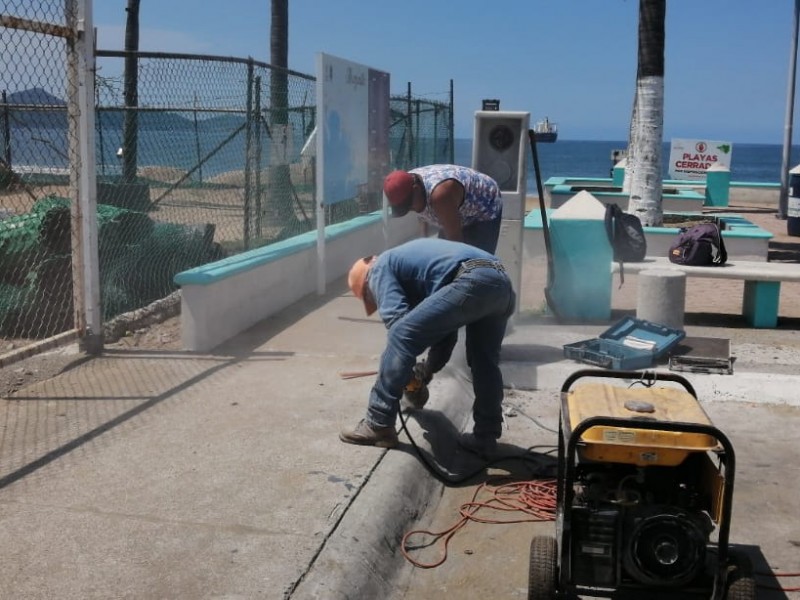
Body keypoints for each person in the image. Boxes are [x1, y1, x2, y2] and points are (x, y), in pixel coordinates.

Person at [339, 237, 516, 456]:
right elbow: (446, 337)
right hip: (501, 283)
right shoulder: (413, 266)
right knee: (484, 362)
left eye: (372, 299)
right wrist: (426, 372)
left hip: (472, 279)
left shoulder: (378, 268)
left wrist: (408, 378)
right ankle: (485, 437)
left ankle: (378, 422)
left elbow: (399, 326)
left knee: (400, 334)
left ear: (367, 288)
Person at [382, 165, 502, 254]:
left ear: (416, 188)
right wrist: (423, 241)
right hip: (456, 207)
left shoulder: (440, 196)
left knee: (478, 265)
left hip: (484, 205)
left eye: (410, 205)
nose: (412, 209)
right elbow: (422, 214)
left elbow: (456, 242)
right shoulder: (406, 184)